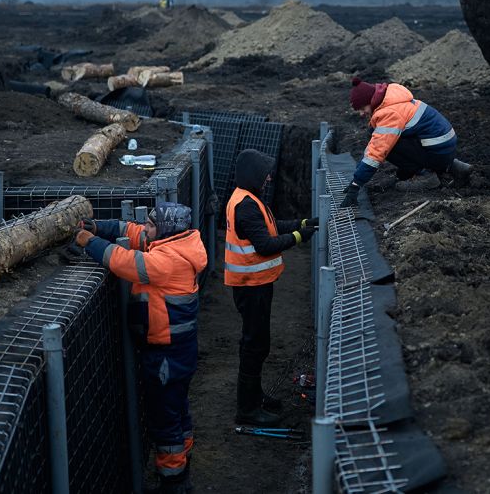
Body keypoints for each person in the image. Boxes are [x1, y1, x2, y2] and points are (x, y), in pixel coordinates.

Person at [75, 202, 206, 493]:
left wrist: (90, 241)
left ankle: (173, 481)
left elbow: (124, 261)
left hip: (166, 357)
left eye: (151, 224)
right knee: (177, 408)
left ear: (166, 229)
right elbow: (133, 232)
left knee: (164, 418)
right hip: (177, 352)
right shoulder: (177, 244)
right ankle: (183, 458)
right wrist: (99, 227)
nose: (145, 228)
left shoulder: (167, 261)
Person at [224, 148, 316, 427]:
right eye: (264, 174)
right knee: (254, 344)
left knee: (257, 343)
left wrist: (302, 224)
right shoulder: (246, 205)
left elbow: (272, 227)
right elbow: (265, 245)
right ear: (253, 175)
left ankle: (254, 397)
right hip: (251, 287)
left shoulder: (248, 198)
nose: (268, 179)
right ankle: (247, 409)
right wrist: (299, 237)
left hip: (255, 285)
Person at [338, 76, 472, 209]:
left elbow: (376, 153)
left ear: (371, 101)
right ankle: (453, 166)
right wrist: (357, 177)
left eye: (362, 108)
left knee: (388, 146)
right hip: (444, 147)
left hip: (438, 151)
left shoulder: (390, 113)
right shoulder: (392, 98)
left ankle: (427, 177)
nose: (361, 114)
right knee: (382, 137)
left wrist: (356, 184)